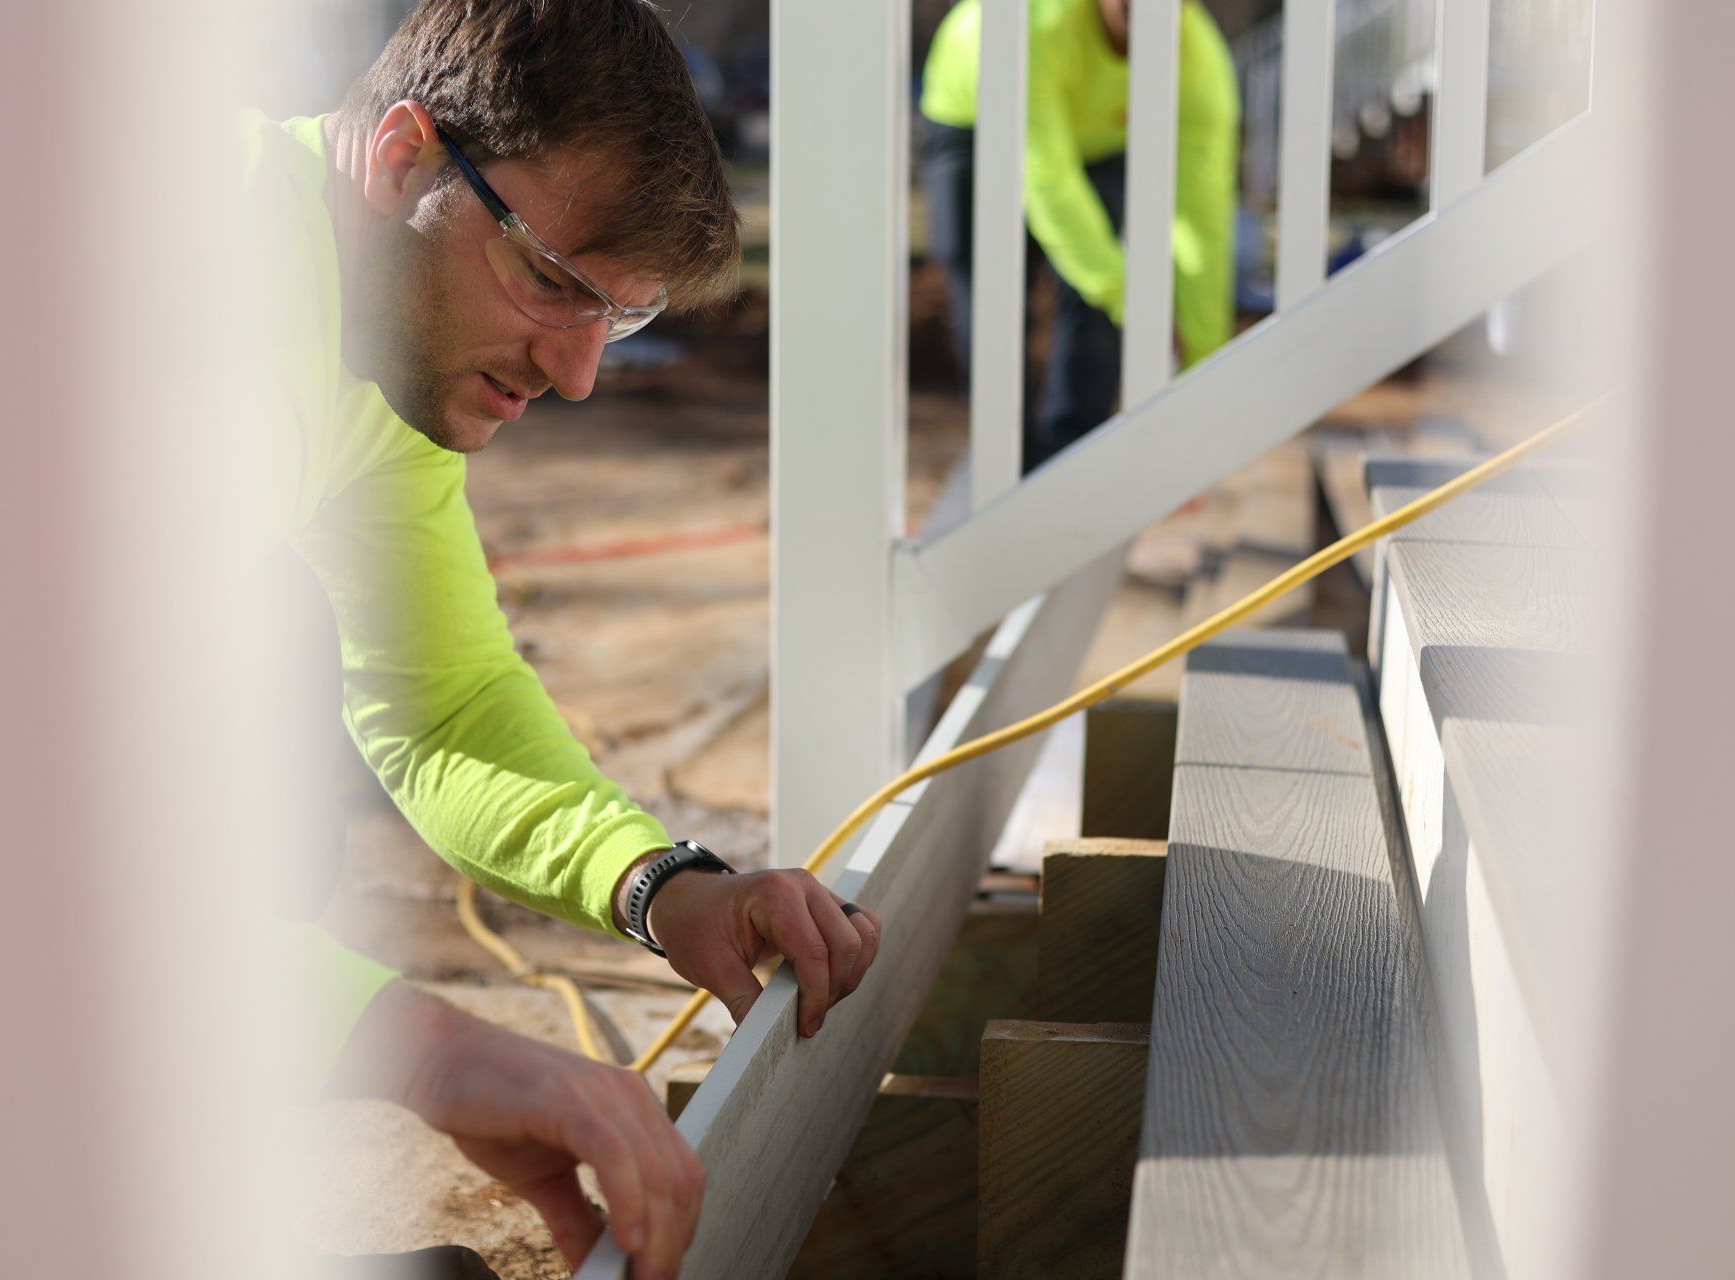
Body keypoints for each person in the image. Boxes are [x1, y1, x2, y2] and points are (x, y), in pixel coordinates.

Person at [242, 3, 884, 1278]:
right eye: (551, 281)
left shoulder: (367, 347)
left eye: (619, 316)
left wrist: (664, 886)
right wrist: (419, 1045)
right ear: (403, 160)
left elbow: (445, 707)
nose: (581, 373)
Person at [919, 0, 1240, 470]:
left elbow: (1202, 215)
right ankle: (1007, 462)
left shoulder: (1200, 63)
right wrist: (1131, 301)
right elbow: (1048, 180)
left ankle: (1075, 464)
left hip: (1094, 138)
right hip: (974, 116)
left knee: (1098, 287)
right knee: (989, 288)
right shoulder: (1040, 28)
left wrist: (1201, 360)